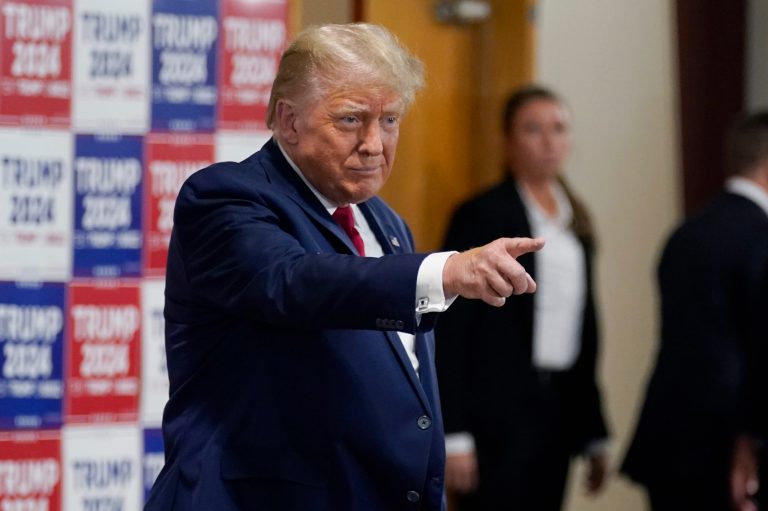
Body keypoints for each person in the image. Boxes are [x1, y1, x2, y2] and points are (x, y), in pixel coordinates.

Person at [144, 23, 545, 511]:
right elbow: (293, 283)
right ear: (289, 121)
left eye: (390, 120)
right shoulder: (225, 197)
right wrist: (444, 272)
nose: (375, 144)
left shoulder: (385, 222)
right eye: (351, 120)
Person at [435, 85, 610, 511]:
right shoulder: (481, 214)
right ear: (508, 142)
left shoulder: (577, 218)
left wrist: (594, 430)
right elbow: (454, 328)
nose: (549, 142)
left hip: (559, 408)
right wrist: (455, 434)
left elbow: (583, 324)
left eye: (559, 129)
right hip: (495, 412)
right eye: (533, 130)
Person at [621, 111, 768, 511]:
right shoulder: (760, 235)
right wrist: (753, 439)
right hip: (731, 445)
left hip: (669, 436)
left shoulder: (687, 232)